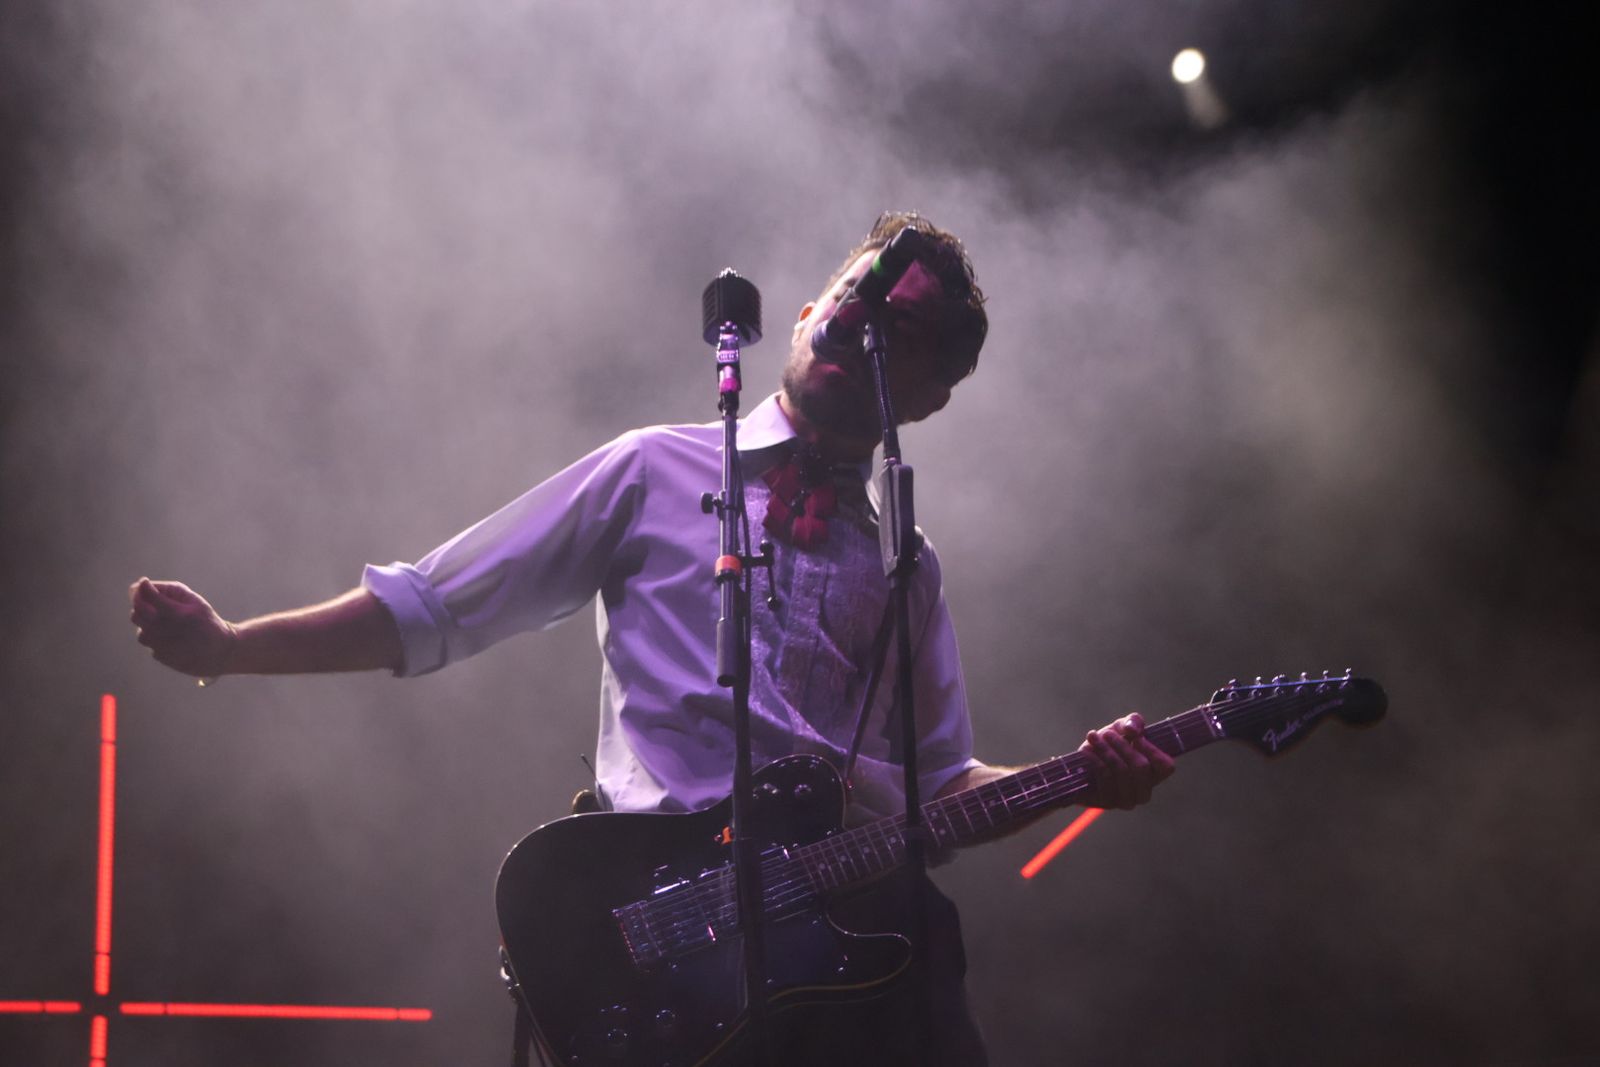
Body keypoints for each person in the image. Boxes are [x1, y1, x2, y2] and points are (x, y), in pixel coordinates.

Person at [129, 212, 1176, 1065]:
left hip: (835, 941)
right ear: (806, 313)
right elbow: (439, 602)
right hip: (658, 924)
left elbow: (939, 785)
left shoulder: (907, 564)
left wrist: (1080, 778)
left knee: (928, 940)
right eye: (851, 290)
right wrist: (232, 646)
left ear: (929, 397)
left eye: (894, 325)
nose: (855, 316)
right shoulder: (655, 470)